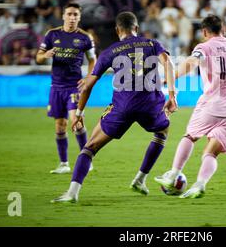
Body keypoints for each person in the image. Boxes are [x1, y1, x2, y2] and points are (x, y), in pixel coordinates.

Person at [51, 11, 178, 203]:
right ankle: (140, 179)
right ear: (136, 28)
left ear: (118, 30)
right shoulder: (152, 44)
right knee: (162, 131)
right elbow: (168, 64)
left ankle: (72, 193)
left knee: (90, 147)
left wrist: (78, 113)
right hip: (150, 104)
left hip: (122, 106)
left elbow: (87, 86)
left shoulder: (110, 51)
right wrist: (172, 95)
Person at [155, 14, 226, 199]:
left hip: (211, 105)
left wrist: (172, 77)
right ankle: (200, 185)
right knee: (211, 154)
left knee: (190, 136)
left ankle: (174, 174)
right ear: (223, 30)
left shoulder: (204, 47)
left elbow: (192, 62)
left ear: (204, 31)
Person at [35, 3, 96, 174]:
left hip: (74, 87)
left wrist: (88, 78)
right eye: (69, 14)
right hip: (56, 87)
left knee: (76, 123)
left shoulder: (85, 37)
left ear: (79, 17)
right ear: (63, 16)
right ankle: (64, 164)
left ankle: (86, 159)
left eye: (75, 14)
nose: (72, 18)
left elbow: (93, 60)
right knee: (60, 126)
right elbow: (38, 58)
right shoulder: (52, 34)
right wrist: (45, 55)